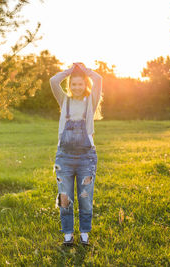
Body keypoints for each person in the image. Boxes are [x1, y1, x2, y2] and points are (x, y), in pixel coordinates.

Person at [50, 62, 102, 246]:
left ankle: (85, 235)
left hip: (86, 157)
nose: (77, 87)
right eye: (74, 84)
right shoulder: (64, 101)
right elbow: (53, 81)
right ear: (69, 86)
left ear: (85, 85)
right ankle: (68, 235)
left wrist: (85, 71)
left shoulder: (91, 101)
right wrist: (70, 71)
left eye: (80, 84)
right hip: (64, 156)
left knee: (85, 197)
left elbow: (98, 79)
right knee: (65, 197)